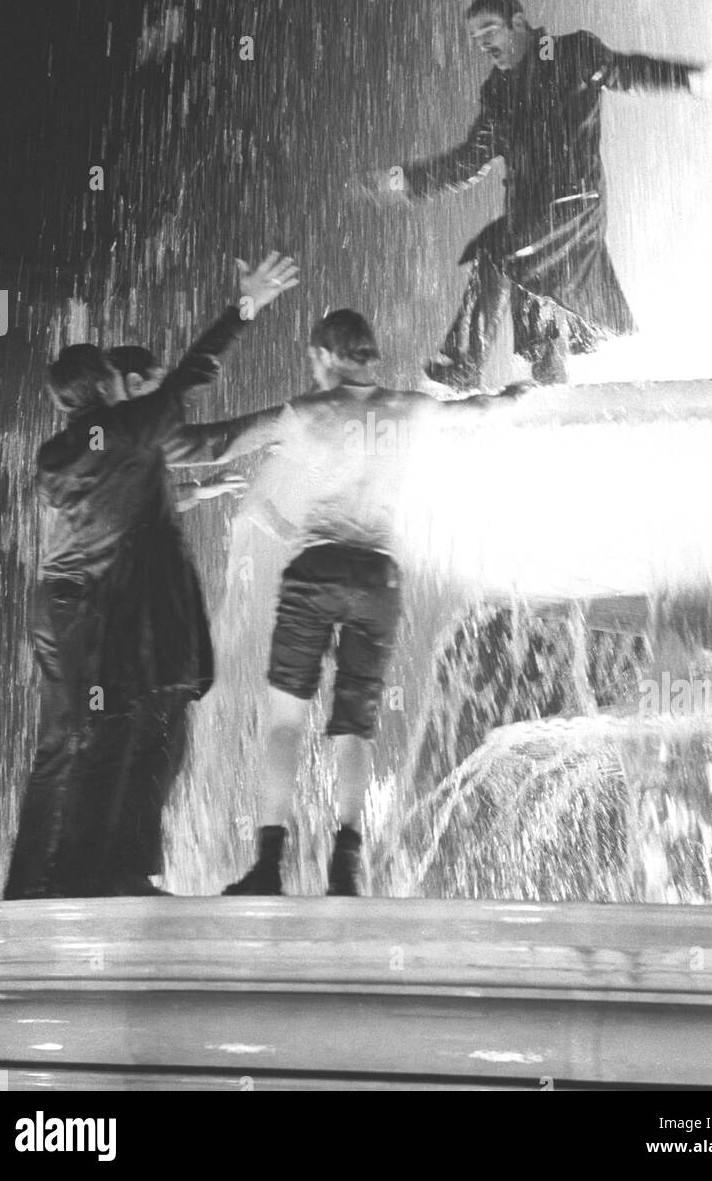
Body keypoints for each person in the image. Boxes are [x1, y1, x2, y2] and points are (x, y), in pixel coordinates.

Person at [3, 252, 299, 899]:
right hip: (104, 613)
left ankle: (46, 882)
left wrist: (190, 498)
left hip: (70, 609)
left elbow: (125, 493)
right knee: (132, 732)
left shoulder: (63, 451)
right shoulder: (129, 426)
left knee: (76, 744)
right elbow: (195, 385)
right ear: (111, 386)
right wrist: (246, 308)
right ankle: (104, 871)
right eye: (123, 377)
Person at [213, 308, 533, 897]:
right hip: (377, 576)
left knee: (285, 722)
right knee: (355, 727)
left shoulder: (309, 412)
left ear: (328, 356)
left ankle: (266, 866)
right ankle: (346, 863)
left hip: (316, 569)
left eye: (314, 359)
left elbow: (219, 443)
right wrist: (518, 393)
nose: (312, 370)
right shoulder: (410, 408)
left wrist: (143, 441)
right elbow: (483, 409)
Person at [361, 0, 712, 389]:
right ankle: (548, 393)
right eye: (475, 38)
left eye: (489, 30)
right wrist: (401, 179)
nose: (483, 43)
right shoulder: (498, 91)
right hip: (531, 215)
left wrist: (690, 79)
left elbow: (627, 71)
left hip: (573, 206)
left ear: (518, 23)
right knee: (538, 311)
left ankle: (463, 365)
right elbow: (469, 160)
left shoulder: (571, 53)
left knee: (498, 249)